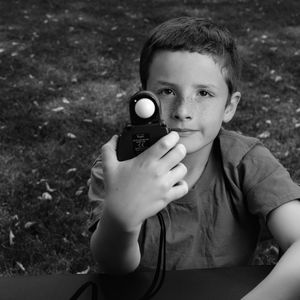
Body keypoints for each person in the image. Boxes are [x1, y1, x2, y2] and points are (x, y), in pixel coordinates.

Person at [88, 17, 300, 299]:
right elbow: (115, 267)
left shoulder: (246, 161)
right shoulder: (118, 166)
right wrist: (121, 216)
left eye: (203, 93)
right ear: (144, 99)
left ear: (229, 106)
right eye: (166, 91)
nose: (182, 110)